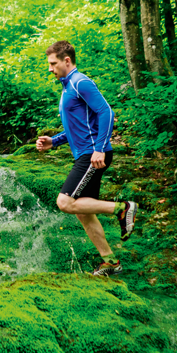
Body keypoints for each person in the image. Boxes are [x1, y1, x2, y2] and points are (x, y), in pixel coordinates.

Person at [34, 40, 137, 275]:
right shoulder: (67, 87)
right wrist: (54, 141)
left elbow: (106, 112)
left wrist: (99, 148)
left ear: (66, 60)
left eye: (53, 63)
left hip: (93, 154)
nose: (50, 69)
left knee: (65, 202)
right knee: (82, 210)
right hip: (87, 153)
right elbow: (79, 127)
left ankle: (123, 208)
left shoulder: (80, 82)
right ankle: (110, 262)